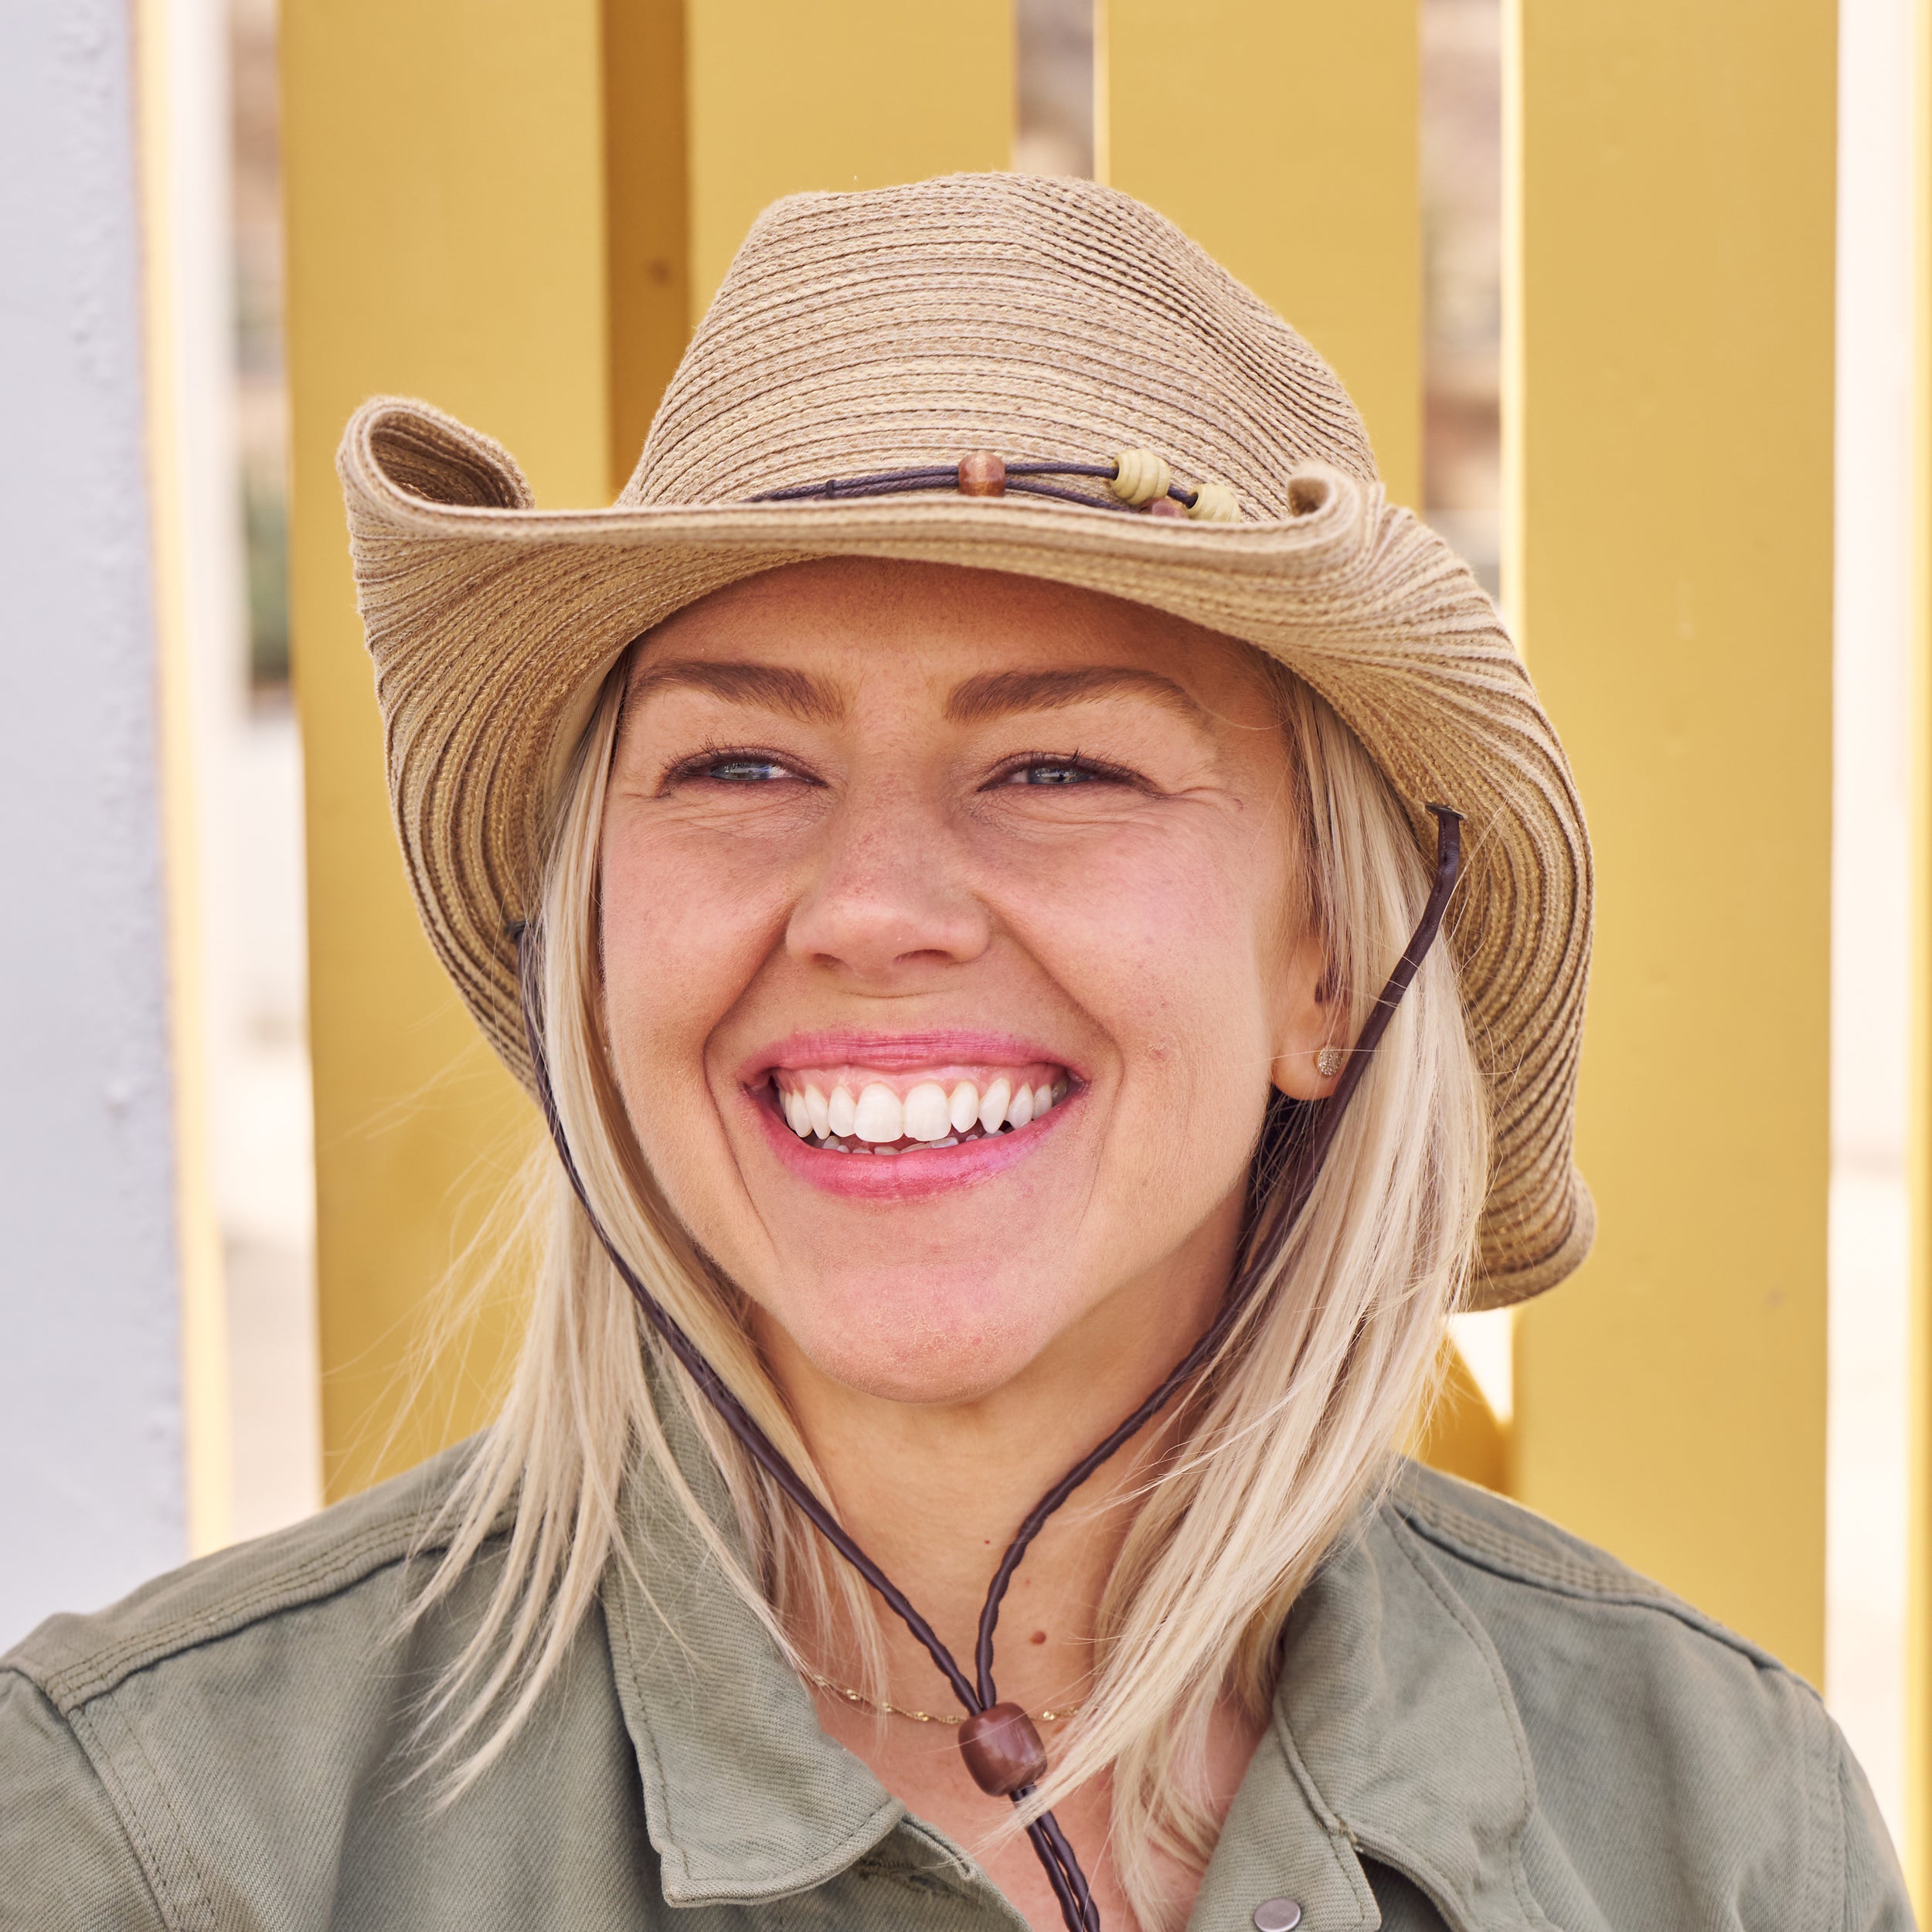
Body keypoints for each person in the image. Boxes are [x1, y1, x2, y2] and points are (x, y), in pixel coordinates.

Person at [1, 172, 1907, 1932]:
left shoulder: (1716, 1827)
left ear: (1327, 969)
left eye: (1057, 763)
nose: (871, 905)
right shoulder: (167, 1841)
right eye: (740, 762)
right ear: (589, 949)